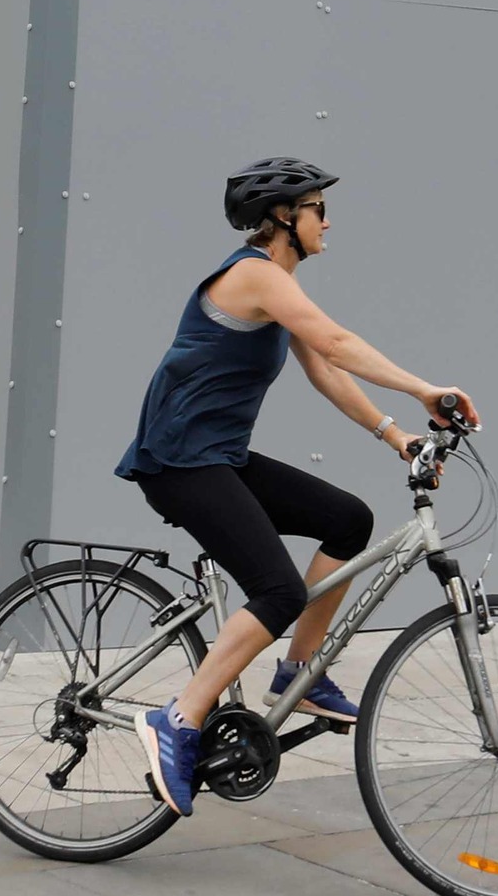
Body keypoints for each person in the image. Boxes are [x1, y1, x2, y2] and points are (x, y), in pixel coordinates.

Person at [119, 158, 475, 819]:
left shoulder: (276, 285)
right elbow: (337, 342)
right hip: (179, 461)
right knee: (278, 589)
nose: (327, 220)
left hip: (217, 456)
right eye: (317, 208)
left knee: (347, 519)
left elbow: (324, 367)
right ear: (284, 216)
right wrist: (426, 387)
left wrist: (395, 434)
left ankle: (299, 671)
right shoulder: (253, 274)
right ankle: (179, 716)